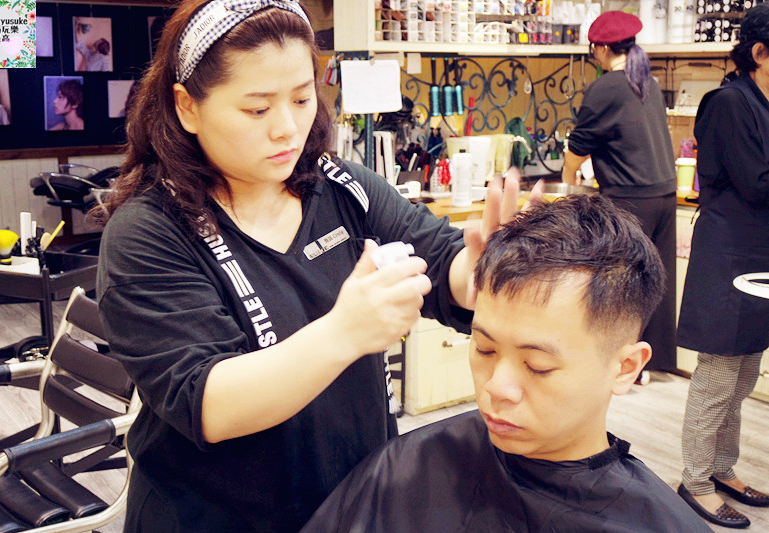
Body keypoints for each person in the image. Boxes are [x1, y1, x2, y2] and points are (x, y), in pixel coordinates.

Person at [94, 0, 539, 531]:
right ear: (187, 107)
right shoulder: (148, 233)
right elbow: (205, 400)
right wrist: (345, 331)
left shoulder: (342, 187)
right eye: (257, 110)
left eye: (302, 98)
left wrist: (485, 271)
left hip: (353, 505)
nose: (288, 128)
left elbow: (444, 265)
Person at [301, 194, 712, 533]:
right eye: (484, 349)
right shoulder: (408, 470)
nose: (496, 387)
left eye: (537, 365)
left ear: (625, 368)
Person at [676, 3, 769, 529]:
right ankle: (695, 482)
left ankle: (722, 469)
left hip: (759, 254)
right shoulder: (729, 103)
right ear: (760, 52)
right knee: (717, 376)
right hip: (728, 253)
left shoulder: (764, 103)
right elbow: (756, 183)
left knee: (745, 373)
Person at [562, 10, 677, 374]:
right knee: (656, 282)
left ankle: (620, 362)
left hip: (631, 198)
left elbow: (579, 145)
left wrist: (567, 181)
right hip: (664, 194)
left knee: (622, 285)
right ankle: (652, 364)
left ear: (600, 49)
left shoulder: (605, 87)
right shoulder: (648, 82)